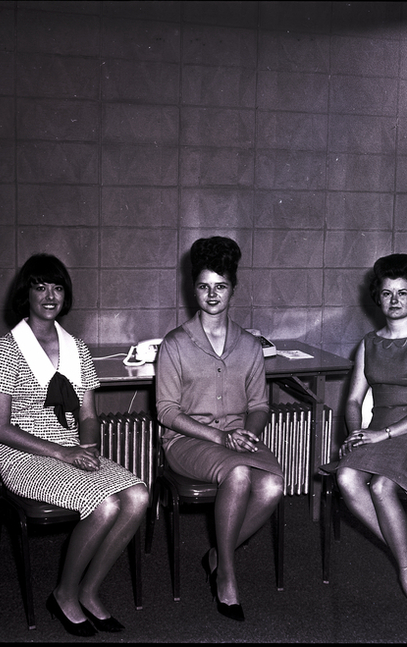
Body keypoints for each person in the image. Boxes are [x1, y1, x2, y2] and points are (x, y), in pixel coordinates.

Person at [0, 253, 149, 636]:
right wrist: (64, 452)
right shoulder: (7, 349)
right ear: (26, 293)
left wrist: (86, 449)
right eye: (40, 287)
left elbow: (88, 416)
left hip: (72, 448)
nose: (49, 296)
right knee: (105, 505)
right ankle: (64, 594)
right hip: (24, 457)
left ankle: (89, 590)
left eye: (57, 288)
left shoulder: (77, 348)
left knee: (138, 495)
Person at [155, 236, 284, 622]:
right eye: (204, 286)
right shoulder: (175, 344)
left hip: (236, 439)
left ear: (233, 289)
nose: (212, 295)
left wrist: (249, 433)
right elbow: (166, 412)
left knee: (273, 485)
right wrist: (220, 437)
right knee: (240, 474)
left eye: (221, 286)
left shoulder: (250, 345)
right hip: (188, 441)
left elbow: (259, 406)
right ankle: (227, 575)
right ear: (192, 288)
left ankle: (215, 554)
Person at [324, 253, 407, 615]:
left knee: (380, 487)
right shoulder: (368, 343)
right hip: (377, 433)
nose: (394, 300)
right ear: (377, 297)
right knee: (347, 478)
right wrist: (356, 432)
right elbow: (353, 400)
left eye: (402, 293)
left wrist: (382, 435)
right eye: (387, 293)